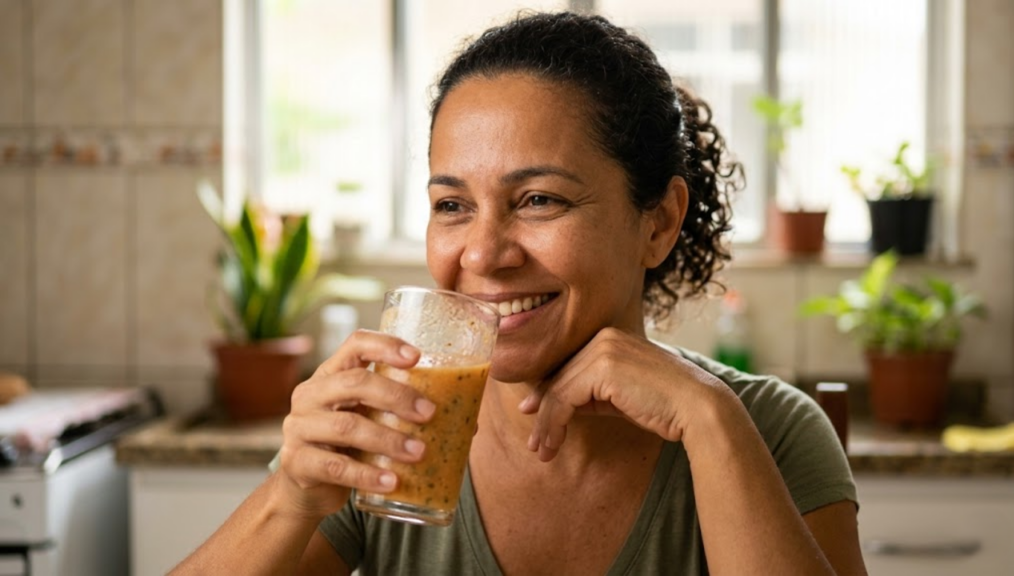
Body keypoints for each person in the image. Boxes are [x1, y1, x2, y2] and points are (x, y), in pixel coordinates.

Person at [174, 11, 866, 575]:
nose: (481, 254)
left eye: (538, 200)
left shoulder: (766, 430)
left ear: (657, 223)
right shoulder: (392, 428)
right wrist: (288, 498)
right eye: (452, 206)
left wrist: (710, 423)